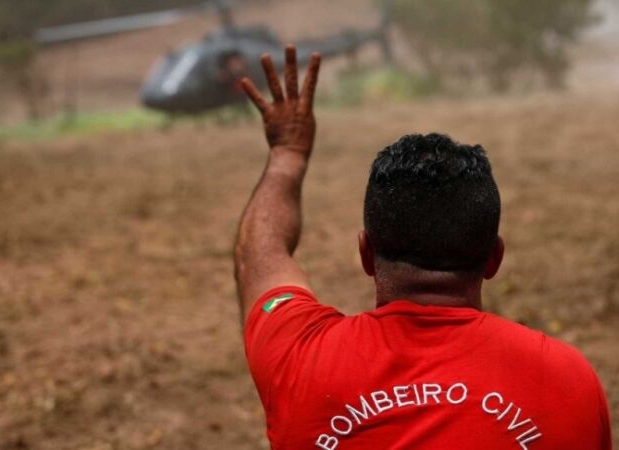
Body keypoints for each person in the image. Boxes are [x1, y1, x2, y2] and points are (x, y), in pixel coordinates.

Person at [234, 45, 612, 449]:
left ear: (365, 253)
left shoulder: (297, 358)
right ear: (494, 258)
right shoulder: (568, 379)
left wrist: (287, 155)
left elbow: (259, 253)